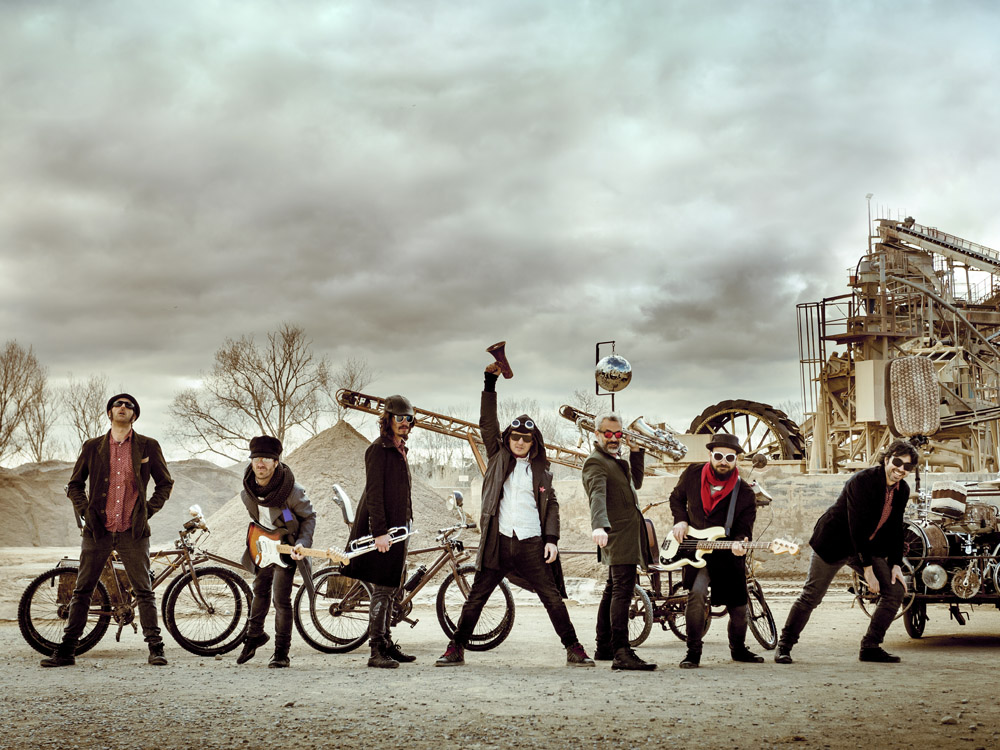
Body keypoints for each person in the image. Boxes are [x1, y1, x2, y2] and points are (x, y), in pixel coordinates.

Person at [436, 364, 594, 668]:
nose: (520, 442)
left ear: (533, 442)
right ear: (508, 438)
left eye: (526, 438)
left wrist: (552, 539)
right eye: (516, 437)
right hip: (497, 543)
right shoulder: (497, 458)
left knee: (551, 598)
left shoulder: (542, 471)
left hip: (531, 545)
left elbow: (552, 505)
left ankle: (574, 648)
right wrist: (489, 382)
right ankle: (455, 648)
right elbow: (487, 423)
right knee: (477, 597)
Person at [41, 394, 174, 667]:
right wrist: (85, 511)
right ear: (110, 413)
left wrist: (147, 511)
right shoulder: (93, 447)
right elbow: (75, 485)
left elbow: (165, 483)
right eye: (118, 404)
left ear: (134, 415)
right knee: (82, 591)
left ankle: (156, 648)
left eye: (129, 405)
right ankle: (67, 651)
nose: (123, 407)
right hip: (98, 530)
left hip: (132, 531)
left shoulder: (148, 445)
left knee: (144, 591)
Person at [775, 439, 918, 664]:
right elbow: (857, 527)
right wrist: (868, 570)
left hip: (867, 546)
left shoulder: (902, 490)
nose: (901, 469)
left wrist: (896, 564)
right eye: (897, 462)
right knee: (812, 595)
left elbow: (895, 528)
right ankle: (784, 645)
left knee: (895, 590)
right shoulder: (862, 481)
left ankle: (870, 646)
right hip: (835, 542)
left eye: (907, 466)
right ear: (887, 459)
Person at [668, 433, 760, 668]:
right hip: (696, 550)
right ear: (710, 455)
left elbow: (744, 528)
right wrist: (681, 520)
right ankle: (693, 652)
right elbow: (676, 499)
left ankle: (738, 650)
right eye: (718, 456)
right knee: (696, 595)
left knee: (739, 606)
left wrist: (740, 543)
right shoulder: (692, 474)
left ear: (737, 459)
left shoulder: (745, 493)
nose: (723, 462)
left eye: (729, 457)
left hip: (727, 554)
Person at [340, 395, 416, 669]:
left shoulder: (399, 448)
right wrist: (379, 532)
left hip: (398, 529)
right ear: (388, 420)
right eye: (400, 418)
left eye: (409, 418)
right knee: (383, 590)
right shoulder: (378, 450)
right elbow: (374, 494)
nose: (405, 422)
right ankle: (376, 650)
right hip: (385, 532)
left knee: (391, 587)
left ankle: (386, 643)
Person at [583, 412, 656, 671]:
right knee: (622, 591)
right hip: (616, 534)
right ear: (597, 434)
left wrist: (636, 453)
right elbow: (597, 496)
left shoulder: (614, 461)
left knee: (612, 588)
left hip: (625, 534)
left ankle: (604, 646)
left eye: (618, 433)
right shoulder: (596, 462)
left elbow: (636, 482)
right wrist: (598, 525)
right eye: (608, 433)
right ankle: (622, 652)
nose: (613, 438)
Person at [236, 435, 316, 668]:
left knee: (280, 599)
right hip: (263, 547)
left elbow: (309, 517)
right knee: (259, 591)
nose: (260, 463)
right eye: (256, 458)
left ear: (276, 462)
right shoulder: (247, 491)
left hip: (287, 547)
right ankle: (254, 636)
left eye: (266, 459)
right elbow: (258, 520)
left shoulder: (292, 491)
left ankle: (281, 652)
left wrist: (302, 542)